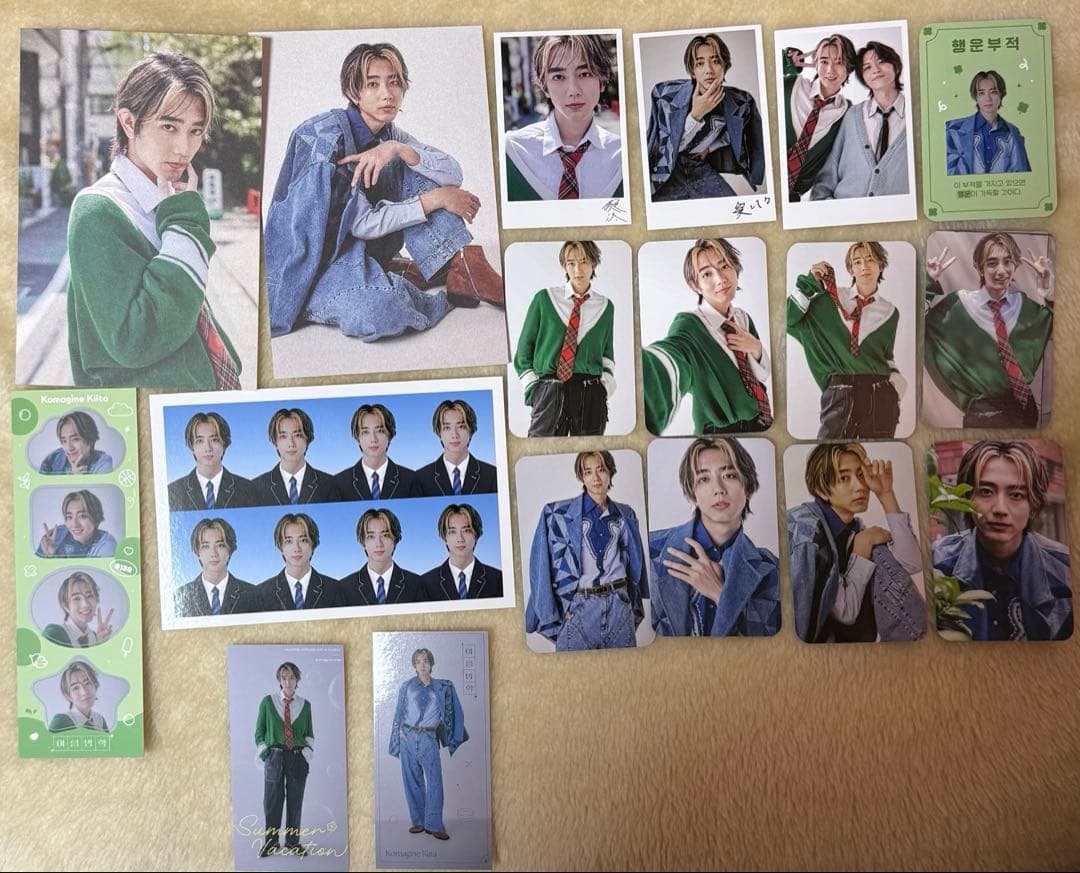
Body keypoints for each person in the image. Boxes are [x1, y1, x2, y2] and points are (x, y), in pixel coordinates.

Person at [265, 42, 503, 343]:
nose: (387, 94)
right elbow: (363, 224)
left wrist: (397, 149)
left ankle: (464, 263)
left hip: (361, 246)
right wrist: (437, 199)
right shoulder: (326, 142)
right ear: (353, 92)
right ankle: (402, 275)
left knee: (414, 163)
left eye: (394, 82)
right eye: (372, 84)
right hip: (318, 267)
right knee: (382, 312)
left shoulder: (388, 134)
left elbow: (452, 173)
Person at [65, 51, 241, 389]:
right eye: (169, 126)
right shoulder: (98, 210)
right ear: (129, 123)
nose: (183, 148)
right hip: (146, 409)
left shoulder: (167, 202)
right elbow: (135, 339)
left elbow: (188, 311)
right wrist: (186, 225)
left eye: (195, 131)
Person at [933, 440, 1071, 641]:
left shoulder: (1066, 571)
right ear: (967, 497)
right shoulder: (937, 564)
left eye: (1016, 494)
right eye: (986, 491)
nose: (1000, 509)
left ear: (1033, 505)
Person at [787, 443, 926, 643]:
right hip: (811, 652)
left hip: (853, 649)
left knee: (879, 553)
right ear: (821, 490)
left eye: (861, 475)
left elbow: (912, 563)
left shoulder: (855, 529)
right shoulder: (806, 532)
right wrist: (862, 547)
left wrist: (886, 494)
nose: (860, 486)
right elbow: (846, 612)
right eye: (844, 478)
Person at [649, 437, 780, 637]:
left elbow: (768, 647)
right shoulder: (651, 549)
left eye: (729, 475)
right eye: (704, 479)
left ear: (748, 488)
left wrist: (721, 595)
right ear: (692, 494)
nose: (718, 489)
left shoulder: (769, 568)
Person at [642, 238, 772, 435]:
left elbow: (762, 376)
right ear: (696, 285)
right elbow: (674, 355)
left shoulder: (742, 318)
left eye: (724, 266)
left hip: (762, 421)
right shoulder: (688, 326)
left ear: (735, 268)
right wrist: (647, 372)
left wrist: (756, 348)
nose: (720, 279)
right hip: (720, 434)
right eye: (707, 274)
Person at [924, 232, 1054, 428]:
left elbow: (1062, 324)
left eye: (1007, 262)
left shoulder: (1025, 307)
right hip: (983, 415)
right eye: (992, 263)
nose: (1001, 271)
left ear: (1015, 265)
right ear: (979, 267)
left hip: (1025, 411)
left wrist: (1048, 286)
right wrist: (928, 281)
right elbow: (914, 322)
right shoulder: (958, 306)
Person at [525, 451, 647, 650]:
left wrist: (629, 603)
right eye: (588, 472)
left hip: (619, 604)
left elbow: (634, 563)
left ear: (610, 472)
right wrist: (554, 611)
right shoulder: (556, 514)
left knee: (624, 670)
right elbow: (539, 568)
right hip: (579, 607)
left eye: (601, 470)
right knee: (572, 671)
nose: (596, 478)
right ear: (581, 477)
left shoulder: (625, 514)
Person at [787, 241, 905, 438]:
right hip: (839, 392)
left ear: (881, 265)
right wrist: (808, 285)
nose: (864, 266)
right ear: (851, 269)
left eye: (870, 260)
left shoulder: (890, 312)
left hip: (880, 395)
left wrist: (895, 387)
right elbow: (787, 320)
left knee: (877, 452)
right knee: (828, 451)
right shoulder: (827, 301)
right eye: (857, 262)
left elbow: (886, 356)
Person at [646, 33, 765, 201]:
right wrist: (696, 114)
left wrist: (709, 148)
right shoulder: (667, 95)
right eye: (700, 63)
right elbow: (666, 149)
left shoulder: (741, 102)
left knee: (732, 207)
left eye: (716, 61)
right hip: (667, 170)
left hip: (698, 166)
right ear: (692, 70)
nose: (709, 70)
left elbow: (736, 136)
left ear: (725, 66)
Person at [513, 241, 616, 436]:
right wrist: (535, 389)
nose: (578, 270)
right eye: (571, 263)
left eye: (584, 262)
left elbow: (607, 354)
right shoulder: (544, 299)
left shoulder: (605, 306)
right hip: (549, 389)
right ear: (564, 266)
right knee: (541, 450)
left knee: (588, 449)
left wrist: (604, 387)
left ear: (594, 263)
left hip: (590, 393)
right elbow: (523, 351)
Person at [504, 34, 623, 200]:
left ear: (602, 80)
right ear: (544, 86)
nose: (573, 90)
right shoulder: (511, 150)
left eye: (585, 74)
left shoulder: (623, 155)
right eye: (558, 77)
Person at [810, 41, 909, 200]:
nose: (875, 70)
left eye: (881, 62)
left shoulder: (916, 116)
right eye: (867, 67)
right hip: (844, 209)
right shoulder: (851, 115)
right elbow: (829, 172)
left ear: (896, 66)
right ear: (862, 76)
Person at [388, 648, 468, 841]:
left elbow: (451, 712)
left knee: (434, 781)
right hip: (407, 737)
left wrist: (445, 728)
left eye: (425, 661)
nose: (422, 665)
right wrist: (399, 733)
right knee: (411, 780)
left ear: (431, 664)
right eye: (418, 662)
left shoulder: (442, 688)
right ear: (414, 666)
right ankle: (419, 821)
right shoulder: (406, 686)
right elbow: (399, 712)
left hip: (428, 738)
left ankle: (434, 824)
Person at [782, 34, 856, 201]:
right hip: (766, 183)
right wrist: (787, 60)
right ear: (815, 64)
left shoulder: (847, 113)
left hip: (793, 198)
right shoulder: (791, 84)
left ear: (849, 68)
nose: (830, 70)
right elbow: (763, 73)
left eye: (839, 62)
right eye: (824, 61)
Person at [255, 661, 314, 857]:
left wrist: (307, 752)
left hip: (297, 757)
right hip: (275, 757)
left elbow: (309, 734)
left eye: (291, 678)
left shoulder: (305, 705)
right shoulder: (268, 702)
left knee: (295, 802)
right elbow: (259, 732)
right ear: (279, 680)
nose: (288, 682)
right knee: (272, 802)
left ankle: (292, 842)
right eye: (284, 678)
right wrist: (266, 753)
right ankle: (271, 843)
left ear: (297, 680)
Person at [167, 411, 258, 511]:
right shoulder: (172, 491)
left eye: (214, 440)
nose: (208, 448)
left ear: (224, 444)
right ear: (192, 446)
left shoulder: (247, 489)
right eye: (200, 441)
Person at [946, 70, 1031, 175]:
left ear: (1001, 95)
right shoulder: (954, 129)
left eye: (993, 92)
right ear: (975, 97)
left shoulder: (1012, 133)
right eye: (981, 93)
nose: (988, 98)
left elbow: (1023, 176)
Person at [253, 408, 343, 505]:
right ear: (275, 441)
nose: (291, 444)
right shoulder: (256, 487)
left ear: (307, 439)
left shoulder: (329, 484)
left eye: (298, 435)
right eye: (283, 436)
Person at [174, 518, 259, 617]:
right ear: (197, 552)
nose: (213, 554)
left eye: (220, 545)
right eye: (206, 546)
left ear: (230, 550)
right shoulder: (180, 596)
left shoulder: (252, 594)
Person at [334, 403, 420, 500]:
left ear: (389, 435)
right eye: (365, 432)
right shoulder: (339, 483)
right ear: (357, 437)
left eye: (380, 431)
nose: (373, 439)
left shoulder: (411, 480)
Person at [257, 514, 342, 611]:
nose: (297, 548)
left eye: (303, 540)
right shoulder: (262, 592)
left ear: (313, 544)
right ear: (280, 546)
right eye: (289, 541)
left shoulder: (334, 589)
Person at [340, 508, 423, 606]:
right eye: (371, 536)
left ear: (395, 540)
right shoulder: (345, 587)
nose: (379, 544)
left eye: (385, 535)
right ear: (363, 542)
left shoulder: (416, 583)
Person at [416, 399, 497, 496]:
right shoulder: (421, 478)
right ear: (439, 432)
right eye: (447, 427)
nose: (454, 435)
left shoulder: (492, 475)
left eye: (461, 426)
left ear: (471, 430)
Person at [422, 504, 503, 600]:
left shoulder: (498, 579)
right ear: (444, 537)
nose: (460, 539)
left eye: (467, 530)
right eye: (452, 532)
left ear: (476, 535)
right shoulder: (426, 583)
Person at [41, 571, 115, 647]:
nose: (85, 604)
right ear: (65, 606)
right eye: (76, 598)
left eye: (89, 596)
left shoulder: (94, 637)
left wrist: (99, 645)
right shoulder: (53, 634)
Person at [36, 490, 117, 558]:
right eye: (69, 517)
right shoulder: (55, 537)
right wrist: (49, 556)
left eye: (82, 516)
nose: (74, 524)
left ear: (95, 518)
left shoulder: (106, 546)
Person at [38, 411, 114, 474]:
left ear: (90, 440)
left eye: (75, 439)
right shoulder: (53, 459)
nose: (69, 448)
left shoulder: (103, 463)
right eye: (64, 441)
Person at [48, 660, 108, 732]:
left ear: (95, 686)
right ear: (68, 696)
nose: (84, 692)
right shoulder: (61, 721)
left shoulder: (100, 720)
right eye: (75, 688)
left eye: (87, 683)